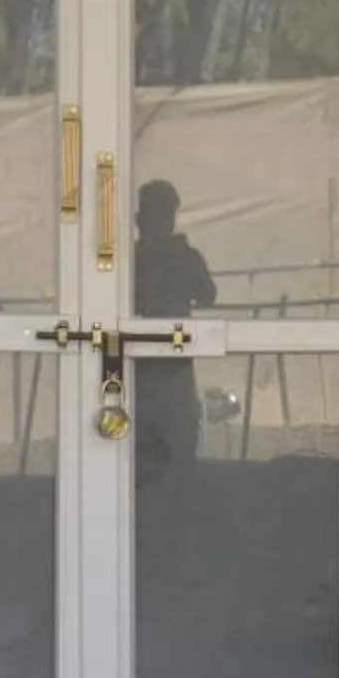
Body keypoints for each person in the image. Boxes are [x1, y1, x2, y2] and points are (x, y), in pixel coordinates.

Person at [131, 180, 215, 490]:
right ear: (140, 219)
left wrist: (178, 261)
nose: (161, 222)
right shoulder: (130, 259)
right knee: (139, 455)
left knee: (179, 454)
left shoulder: (181, 256)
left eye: (165, 215)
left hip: (174, 368)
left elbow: (207, 295)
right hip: (139, 368)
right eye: (156, 214)